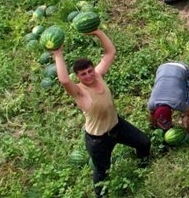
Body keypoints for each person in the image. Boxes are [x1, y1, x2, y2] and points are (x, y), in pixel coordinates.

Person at [52, 29, 150, 198]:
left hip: (117, 126)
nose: (89, 75)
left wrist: (98, 32)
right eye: (83, 74)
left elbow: (110, 52)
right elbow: (64, 80)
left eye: (90, 71)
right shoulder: (80, 92)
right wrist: (58, 54)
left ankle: (143, 166)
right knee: (102, 170)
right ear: (78, 76)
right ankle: (101, 195)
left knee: (144, 142)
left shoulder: (98, 75)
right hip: (98, 140)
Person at [147, 62, 189, 135]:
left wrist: (188, 133)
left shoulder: (179, 103)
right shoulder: (151, 104)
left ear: (172, 112)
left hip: (181, 69)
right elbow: (151, 115)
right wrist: (154, 128)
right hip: (163, 68)